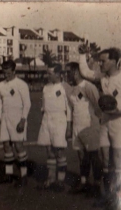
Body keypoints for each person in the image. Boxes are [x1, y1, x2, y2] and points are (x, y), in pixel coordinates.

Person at [79, 47, 121, 210]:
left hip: (120, 123)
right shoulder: (103, 78)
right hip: (105, 123)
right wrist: (82, 54)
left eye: (103, 61)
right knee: (105, 160)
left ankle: (119, 198)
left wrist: (118, 110)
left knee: (118, 161)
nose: (100, 63)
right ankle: (108, 195)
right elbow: (85, 72)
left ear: (114, 61)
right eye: (99, 60)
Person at [65, 62, 103, 197]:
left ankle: (97, 185)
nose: (66, 74)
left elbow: (98, 106)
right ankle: (84, 182)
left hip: (90, 127)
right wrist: (69, 127)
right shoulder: (70, 89)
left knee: (94, 156)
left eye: (68, 71)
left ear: (76, 72)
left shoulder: (89, 87)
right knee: (81, 156)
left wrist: (97, 125)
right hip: (77, 127)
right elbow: (70, 109)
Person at [0, 60, 31, 187]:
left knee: (18, 146)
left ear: (14, 71)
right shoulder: (1, 85)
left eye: (9, 73)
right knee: (6, 145)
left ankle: (24, 176)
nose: (6, 76)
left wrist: (23, 120)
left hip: (17, 117)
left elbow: (27, 104)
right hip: (5, 117)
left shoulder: (21, 84)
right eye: (4, 73)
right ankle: (8, 175)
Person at [37, 63, 72, 191]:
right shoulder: (45, 87)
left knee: (59, 151)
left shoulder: (65, 87)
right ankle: (51, 178)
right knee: (49, 151)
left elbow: (69, 108)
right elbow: (43, 106)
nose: (48, 75)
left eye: (50, 73)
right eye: (47, 73)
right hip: (47, 119)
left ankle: (61, 180)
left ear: (58, 74)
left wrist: (69, 127)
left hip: (60, 120)